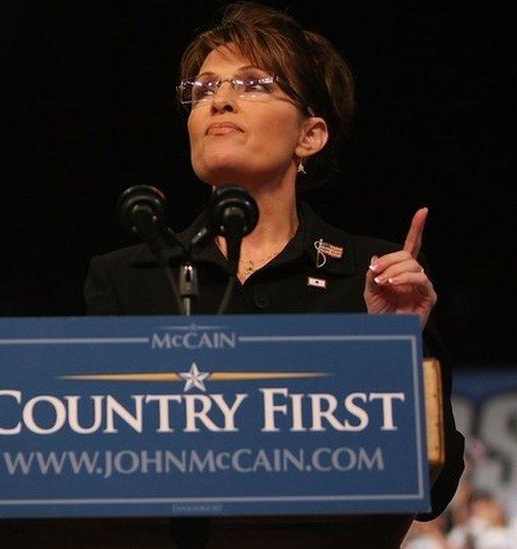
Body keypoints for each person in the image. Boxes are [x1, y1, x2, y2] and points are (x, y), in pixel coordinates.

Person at [85, 0, 463, 536]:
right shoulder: (128, 275)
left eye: (253, 85)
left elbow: (433, 492)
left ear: (310, 135)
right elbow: (98, 471)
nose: (218, 102)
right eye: (203, 89)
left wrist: (395, 343)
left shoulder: (373, 276)